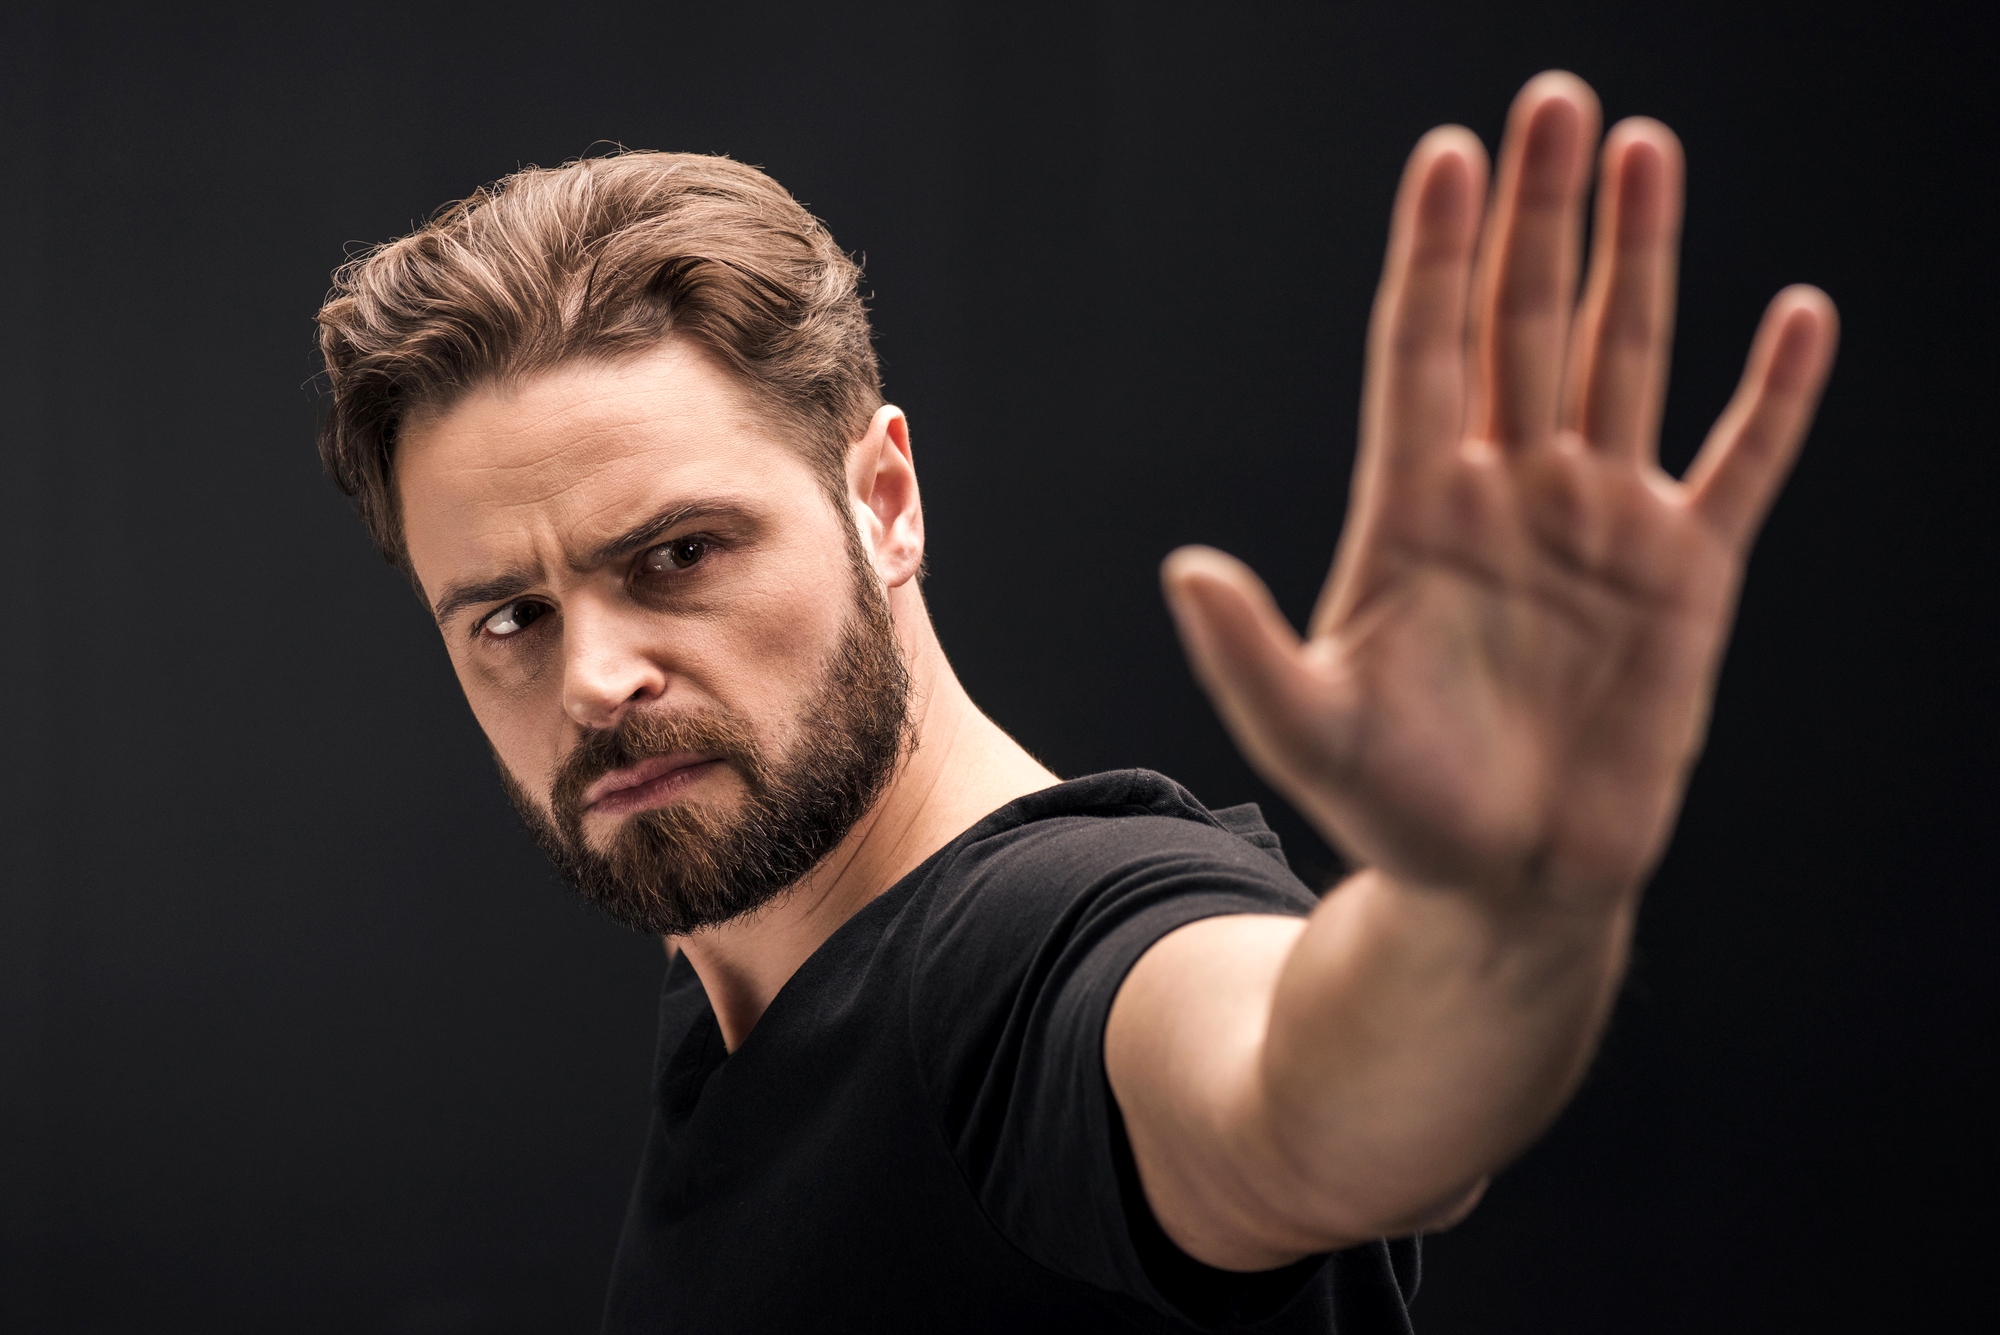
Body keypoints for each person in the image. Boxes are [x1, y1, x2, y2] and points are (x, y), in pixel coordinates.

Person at [312, 71, 1836, 1333]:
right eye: (511, 616)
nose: (592, 678)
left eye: (681, 554)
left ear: (884, 501)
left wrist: (1493, 918)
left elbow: (1296, 1111)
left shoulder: (1027, 953)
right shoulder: (747, 959)